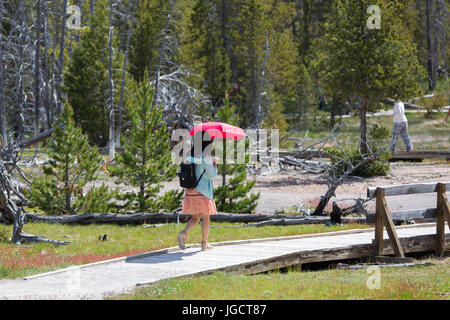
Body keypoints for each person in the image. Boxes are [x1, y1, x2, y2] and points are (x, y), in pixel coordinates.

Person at [177, 131, 218, 251]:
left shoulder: (190, 155)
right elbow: (211, 175)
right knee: (206, 218)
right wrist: (214, 164)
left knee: (195, 218)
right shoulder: (206, 157)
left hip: (190, 191)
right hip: (202, 192)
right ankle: (204, 244)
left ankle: (183, 233)